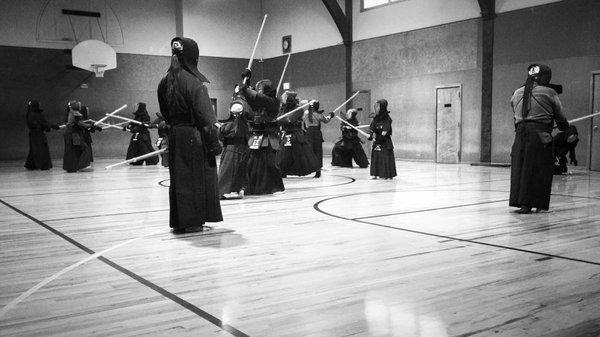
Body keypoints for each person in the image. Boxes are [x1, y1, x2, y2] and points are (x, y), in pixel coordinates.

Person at [157, 37, 223, 233]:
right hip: (195, 137)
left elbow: (166, 114)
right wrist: (214, 145)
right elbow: (207, 120)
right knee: (196, 178)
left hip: (176, 136)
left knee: (179, 179)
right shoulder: (195, 83)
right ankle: (193, 222)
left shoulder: (164, 82)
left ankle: (180, 220)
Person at [510, 64, 568, 213]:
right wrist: (564, 126)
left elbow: (516, 113)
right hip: (540, 136)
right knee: (539, 169)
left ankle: (523, 203)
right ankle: (535, 203)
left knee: (521, 169)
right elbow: (559, 115)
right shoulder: (549, 92)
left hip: (520, 136)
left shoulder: (516, 93)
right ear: (545, 77)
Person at [238, 70, 284, 195]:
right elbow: (251, 98)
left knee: (268, 163)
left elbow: (255, 96)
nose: (258, 90)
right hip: (257, 134)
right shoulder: (261, 101)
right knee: (252, 162)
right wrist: (247, 81)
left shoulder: (273, 102)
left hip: (268, 135)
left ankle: (273, 187)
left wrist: (246, 87)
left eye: (260, 88)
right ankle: (253, 186)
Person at [277, 94, 320, 177]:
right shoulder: (284, 109)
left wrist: (282, 119)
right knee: (284, 154)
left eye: (284, 98)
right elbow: (279, 119)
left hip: (296, 134)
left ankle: (317, 170)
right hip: (287, 133)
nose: (283, 100)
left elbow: (290, 120)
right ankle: (283, 170)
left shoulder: (298, 109)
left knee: (302, 154)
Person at [218, 92, 251, 199]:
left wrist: (219, 129)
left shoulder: (228, 126)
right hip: (243, 150)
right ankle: (240, 189)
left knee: (226, 172)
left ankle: (221, 191)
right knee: (240, 171)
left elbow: (220, 136)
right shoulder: (246, 125)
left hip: (230, 150)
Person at [24, 100, 60, 170]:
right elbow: (43, 123)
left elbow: (43, 123)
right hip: (38, 135)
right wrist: (53, 126)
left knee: (34, 149)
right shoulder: (36, 114)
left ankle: (31, 165)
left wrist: (48, 126)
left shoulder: (30, 114)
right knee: (40, 149)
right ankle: (43, 165)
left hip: (33, 135)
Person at [303, 100, 334, 178]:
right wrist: (330, 115)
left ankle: (308, 168)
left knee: (309, 151)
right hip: (316, 133)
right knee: (318, 152)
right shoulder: (319, 114)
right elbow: (326, 120)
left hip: (308, 133)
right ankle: (318, 171)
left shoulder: (306, 113)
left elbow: (303, 121)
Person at [62, 100, 96, 172]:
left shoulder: (71, 113)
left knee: (73, 150)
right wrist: (89, 125)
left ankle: (72, 167)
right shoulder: (74, 113)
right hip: (73, 134)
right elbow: (79, 123)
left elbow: (79, 122)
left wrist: (90, 125)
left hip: (71, 133)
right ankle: (82, 166)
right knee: (84, 148)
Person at [368, 99, 396, 179]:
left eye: (378, 106)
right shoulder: (376, 118)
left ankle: (387, 174)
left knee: (385, 156)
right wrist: (370, 134)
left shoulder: (387, 118)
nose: (377, 108)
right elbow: (372, 128)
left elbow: (384, 132)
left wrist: (378, 140)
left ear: (382, 107)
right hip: (377, 140)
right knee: (376, 156)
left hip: (385, 141)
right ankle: (375, 174)